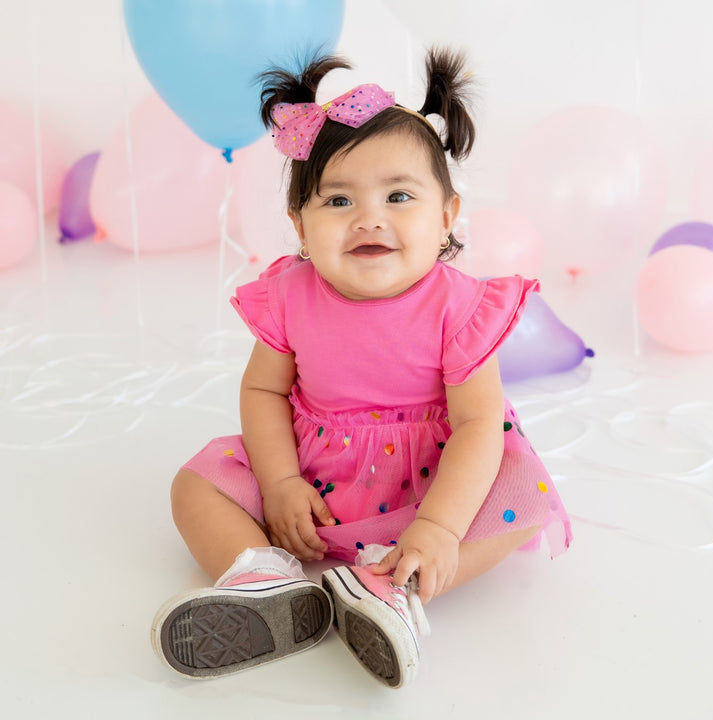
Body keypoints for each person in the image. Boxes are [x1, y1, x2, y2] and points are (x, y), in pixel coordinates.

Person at [151, 48, 572, 689]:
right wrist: (282, 480)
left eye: (399, 196)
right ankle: (262, 577)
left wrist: (438, 527)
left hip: (433, 485)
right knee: (195, 486)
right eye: (338, 201)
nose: (369, 217)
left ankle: (393, 588)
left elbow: (480, 426)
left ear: (447, 217)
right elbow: (263, 388)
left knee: (524, 496)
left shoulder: (458, 307)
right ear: (299, 224)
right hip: (314, 483)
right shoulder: (291, 295)